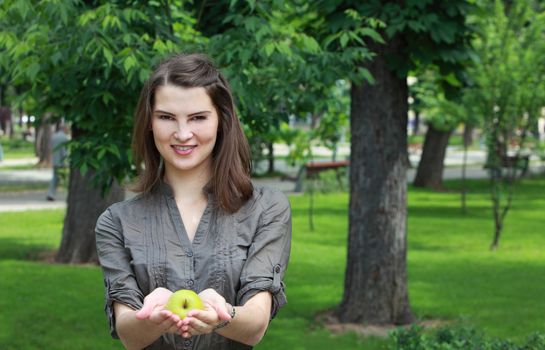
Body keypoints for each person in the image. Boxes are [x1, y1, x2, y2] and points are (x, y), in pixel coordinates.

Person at [95, 53, 292, 350]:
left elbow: (255, 325)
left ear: (221, 120)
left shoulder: (267, 208)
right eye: (166, 117)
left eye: (198, 117)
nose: (183, 134)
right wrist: (151, 318)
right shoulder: (116, 222)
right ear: (149, 122)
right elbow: (128, 335)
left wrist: (223, 315)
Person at [46, 123, 69, 201]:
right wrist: (66, 162)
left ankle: (51, 193)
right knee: (60, 178)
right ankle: (51, 194)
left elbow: (51, 149)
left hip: (55, 161)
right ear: (65, 128)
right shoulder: (64, 138)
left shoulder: (54, 136)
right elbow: (64, 151)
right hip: (62, 162)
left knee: (55, 178)